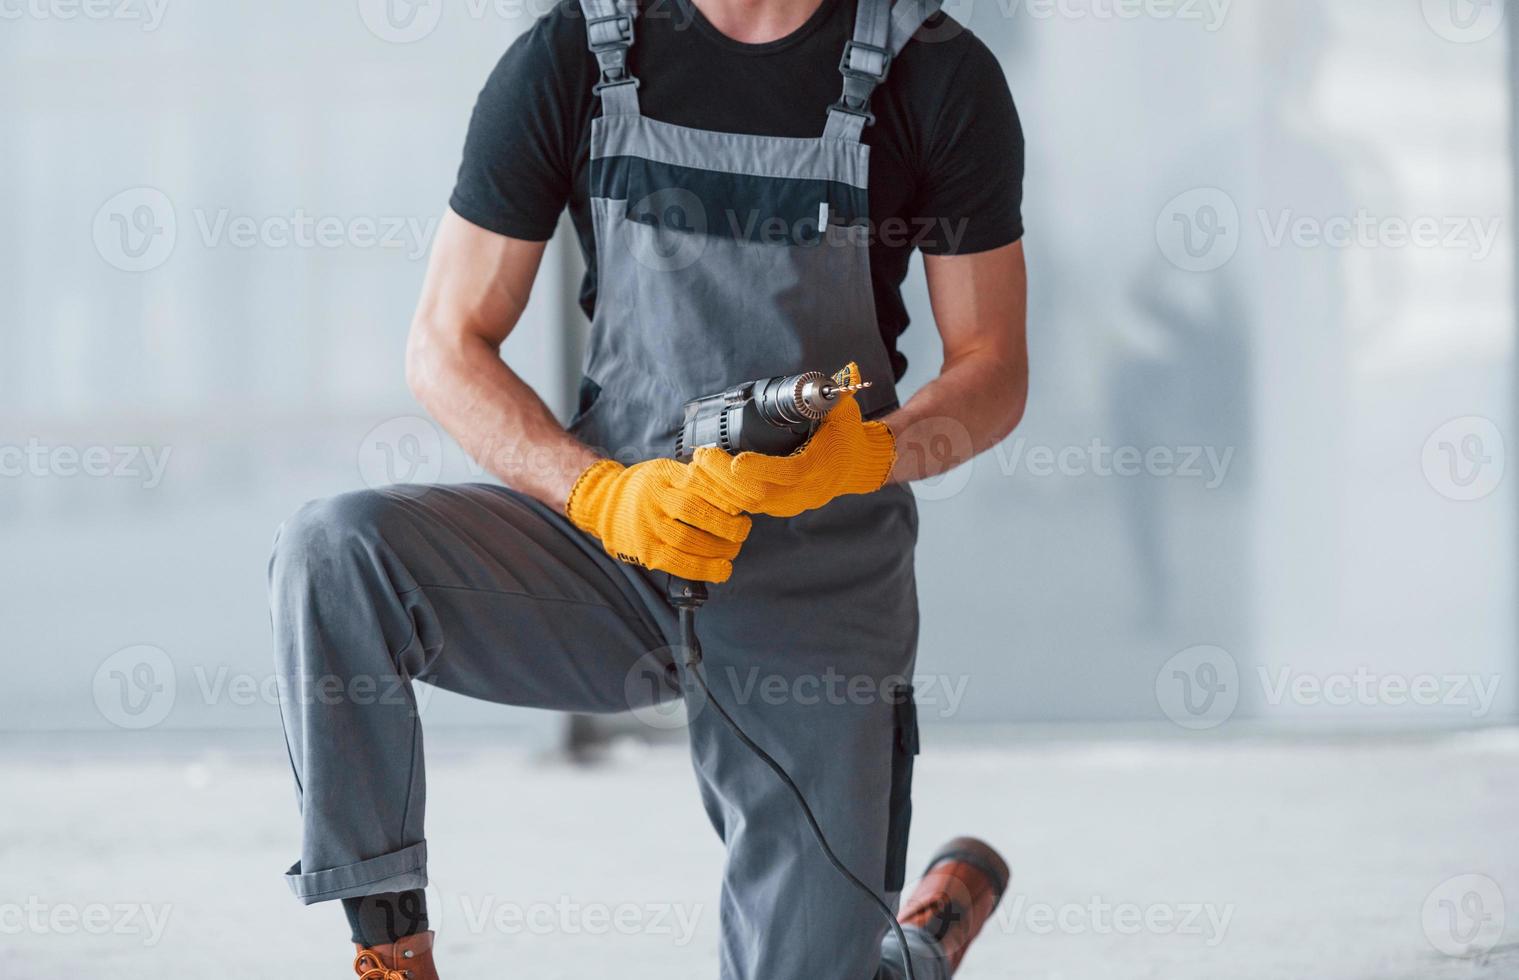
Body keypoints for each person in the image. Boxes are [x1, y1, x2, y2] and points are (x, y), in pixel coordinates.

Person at [268, 0, 1028, 975]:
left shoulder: (934, 73)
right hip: (617, 548)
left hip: (817, 574)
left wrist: (871, 454)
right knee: (338, 551)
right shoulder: (576, 56)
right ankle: (392, 956)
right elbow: (444, 345)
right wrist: (600, 497)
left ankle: (918, 942)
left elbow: (993, 369)